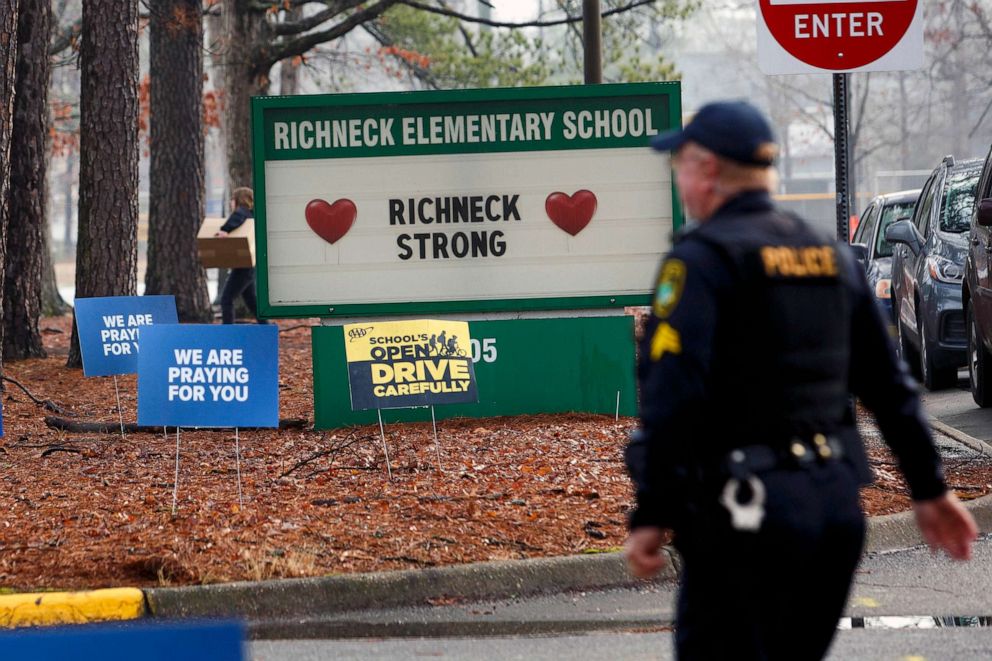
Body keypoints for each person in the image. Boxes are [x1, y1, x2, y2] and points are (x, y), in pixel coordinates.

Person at [624, 100, 978, 661]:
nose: (678, 178)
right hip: (832, 511)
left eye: (681, 164)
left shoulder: (700, 263)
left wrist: (651, 513)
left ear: (708, 170)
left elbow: (674, 398)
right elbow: (890, 387)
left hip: (742, 513)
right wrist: (929, 489)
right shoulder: (830, 258)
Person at [215, 187, 266, 324]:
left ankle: (228, 332)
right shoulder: (253, 214)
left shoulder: (242, 211)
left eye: (232, 199)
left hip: (243, 267)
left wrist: (225, 230)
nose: (231, 202)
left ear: (238, 200)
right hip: (250, 265)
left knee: (226, 299)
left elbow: (237, 217)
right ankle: (266, 328)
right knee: (251, 301)